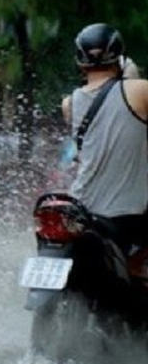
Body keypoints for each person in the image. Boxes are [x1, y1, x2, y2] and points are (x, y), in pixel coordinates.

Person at [63, 23, 148, 265]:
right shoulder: (141, 91)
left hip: (79, 209)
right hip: (124, 215)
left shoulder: (69, 103)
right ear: (119, 58)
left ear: (80, 62)